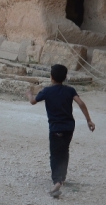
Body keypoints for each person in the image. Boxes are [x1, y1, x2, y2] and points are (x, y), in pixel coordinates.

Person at [26, 64, 95, 198]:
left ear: (51, 77)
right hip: (69, 127)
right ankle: (62, 176)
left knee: (55, 154)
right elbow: (81, 103)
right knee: (64, 150)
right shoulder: (70, 90)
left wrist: (29, 94)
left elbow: (33, 101)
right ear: (65, 77)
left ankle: (57, 181)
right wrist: (88, 120)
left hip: (55, 128)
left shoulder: (47, 91)